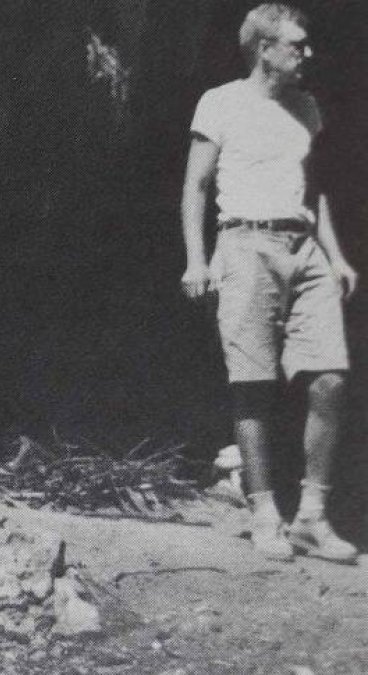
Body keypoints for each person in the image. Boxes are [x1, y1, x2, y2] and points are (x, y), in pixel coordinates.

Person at [180, 3, 359, 564]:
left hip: (304, 251)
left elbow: (316, 192)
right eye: (296, 44)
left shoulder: (308, 108)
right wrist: (197, 259)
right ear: (265, 48)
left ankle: (310, 517)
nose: (306, 54)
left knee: (329, 378)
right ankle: (263, 512)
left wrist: (336, 257)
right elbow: (196, 187)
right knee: (252, 383)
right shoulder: (221, 102)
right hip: (244, 246)